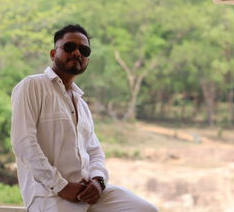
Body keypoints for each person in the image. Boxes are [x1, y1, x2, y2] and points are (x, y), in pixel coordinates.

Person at [11, 24, 158, 212]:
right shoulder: (32, 86)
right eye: (70, 47)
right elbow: (23, 143)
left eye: (84, 50)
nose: (77, 53)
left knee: (145, 209)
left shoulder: (81, 103)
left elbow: (95, 151)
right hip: (49, 195)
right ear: (53, 53)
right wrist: (60, 186)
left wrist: (98, 181)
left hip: (88, 192)